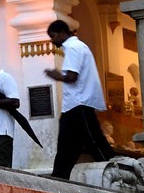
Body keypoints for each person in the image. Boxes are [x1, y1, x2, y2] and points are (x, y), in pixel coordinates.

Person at [44, 20, 115, 180]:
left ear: (62, 32)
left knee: (93, 140)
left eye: (53, 36)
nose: (52, 40)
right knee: (67, 145)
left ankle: (115, 170)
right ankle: (59, 177)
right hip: (72, 105)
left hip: (79, 103)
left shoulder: (73, 48)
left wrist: (57, 76)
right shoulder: (76, 47)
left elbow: (72, 76)